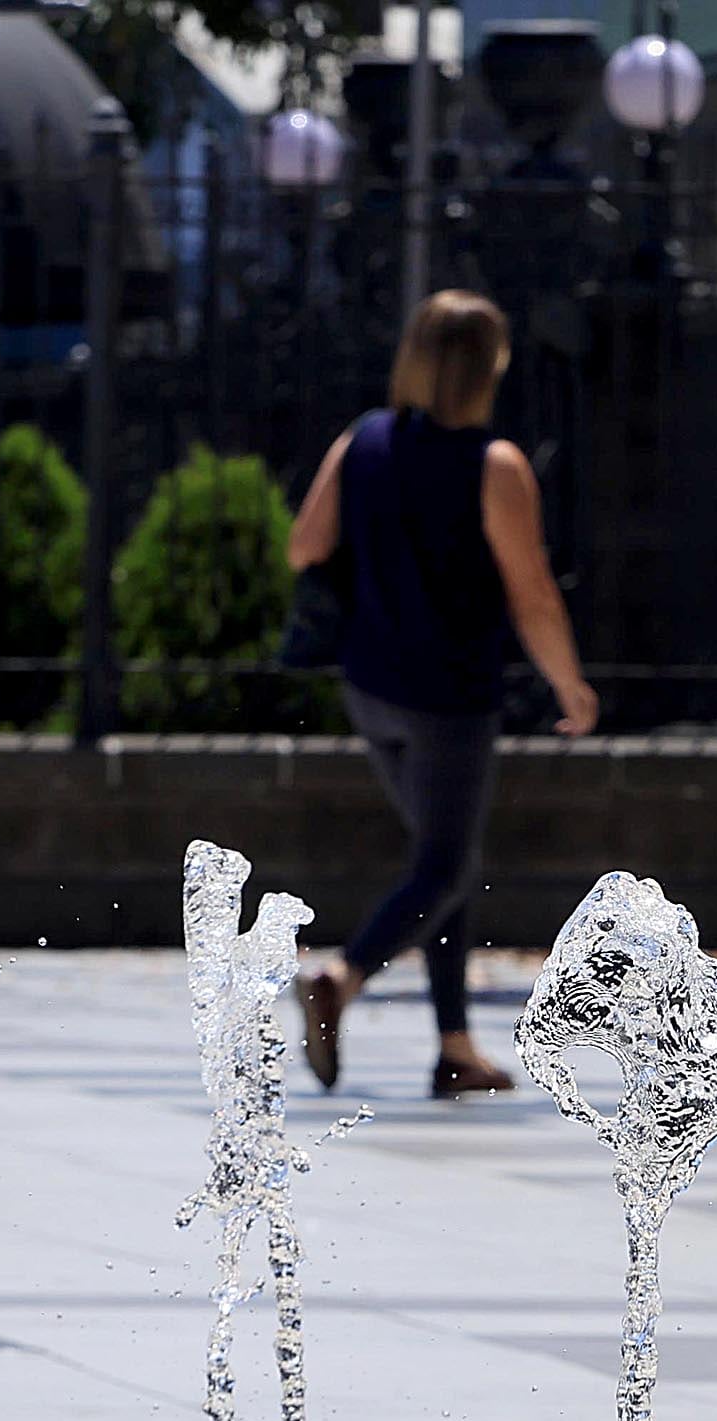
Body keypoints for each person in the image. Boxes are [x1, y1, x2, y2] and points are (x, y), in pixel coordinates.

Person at [288, 289, 598, 1098]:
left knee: (442, 861)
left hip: (371, 683)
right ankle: (341, 980)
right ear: (489, 368)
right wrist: (571, 685)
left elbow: (305, 545)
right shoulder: (493, 465)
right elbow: (532, 592)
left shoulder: (363, 441)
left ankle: (457, 1048)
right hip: (450, 694)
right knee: (448, 863)